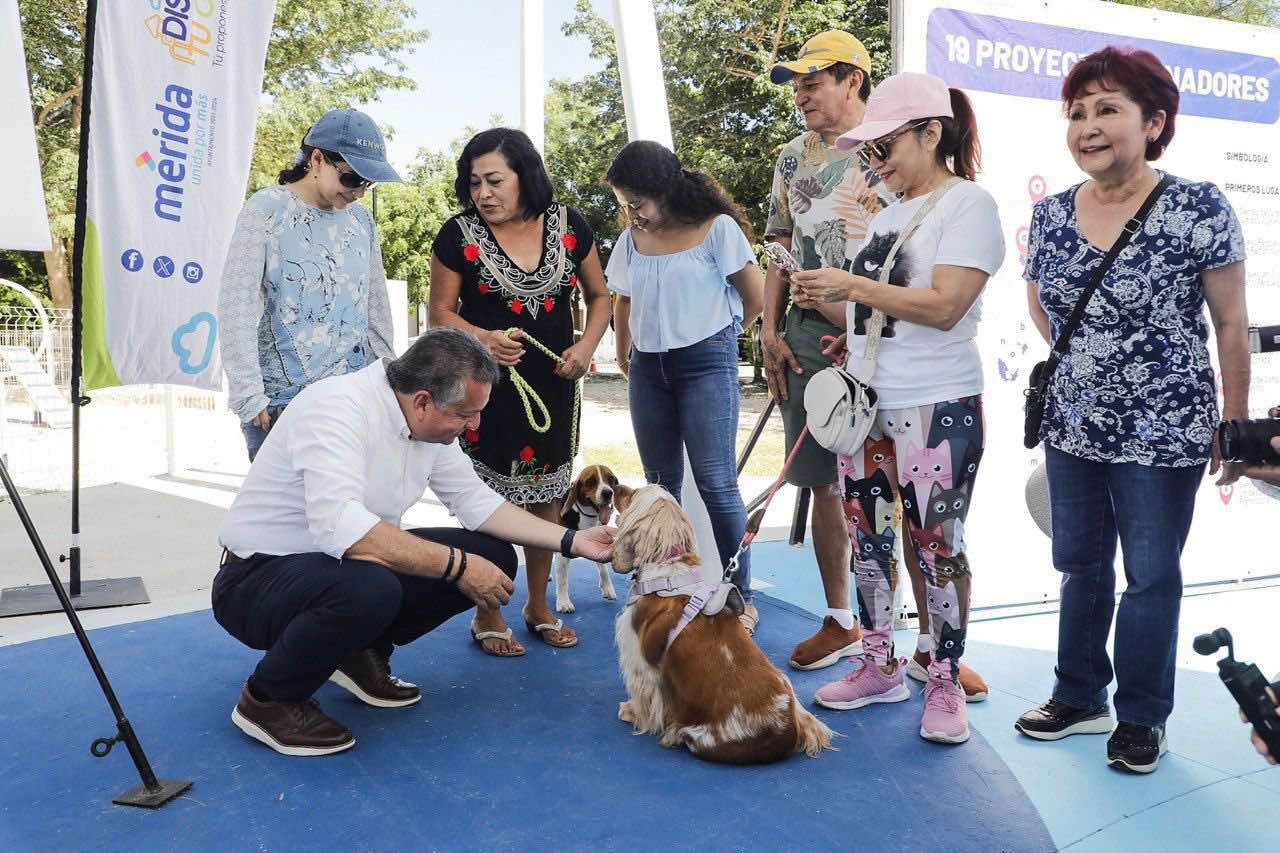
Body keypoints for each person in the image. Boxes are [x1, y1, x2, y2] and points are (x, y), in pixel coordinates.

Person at [212, 328, 616, 757]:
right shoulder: (335, 409)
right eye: (466, 414)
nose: (474, 425)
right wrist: (459, 567)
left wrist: (574, 540)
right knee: (378, 584)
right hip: (254, 581)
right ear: (423, 400)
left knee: (492, 555)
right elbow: (343, 529)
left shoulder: (428, 424)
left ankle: (356, 654)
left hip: (334, 570)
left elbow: (480, 505)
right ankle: (268, 699)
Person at [1015, 47, 1250, 774]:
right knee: (1080, 562)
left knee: (1151, 574)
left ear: (1154, 122)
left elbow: (1231, 323)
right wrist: (1095, 369)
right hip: (1073, 422)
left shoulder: (1198, 206)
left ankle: (1143, 715)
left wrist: (1232, 422)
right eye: (1078, 112)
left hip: (1167, 426)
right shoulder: (1052, 214)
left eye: (1107, 108)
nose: (1087, 125)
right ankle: (1080, 693)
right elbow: (1043, 306)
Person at [765, 33, 986, 696]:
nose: (801, 94)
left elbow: (942, 304)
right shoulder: (812, 171)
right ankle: (863, 643)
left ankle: (936, 661)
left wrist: (851, 295)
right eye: (796, 84)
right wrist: (792, 332)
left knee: (931, 530)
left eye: (812, 80)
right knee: (853, 512)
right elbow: (786, 250)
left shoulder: (950, 197)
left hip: (922, 384)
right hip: (842, 366)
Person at [429, 128, 611, 655]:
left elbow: (600, 296)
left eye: (493, 180)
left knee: (549, 497)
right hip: (484, 394)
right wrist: (482, 337)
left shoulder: (570, 225)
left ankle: (538, 604)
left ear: (524, 176)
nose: (482, 193)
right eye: (473, 182)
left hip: (555, 387)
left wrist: (586, 346)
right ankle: (487, 610)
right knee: (487, 500)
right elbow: (441, 313)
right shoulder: (457, 236)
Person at [604, 140, 764, 632]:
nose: (632, 215)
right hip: (649, 368)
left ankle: (742, 596)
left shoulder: (717, 230)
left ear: (668, 192)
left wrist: (720, 340)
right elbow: (623, 298)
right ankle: (660, 588)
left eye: (638, 204)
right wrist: (623, 348)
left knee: (716, 481)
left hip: (705, 363)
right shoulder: (631, 241)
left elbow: (753, 297)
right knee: (659, 486)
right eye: (624, 204)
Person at [219, 108, 401, 462]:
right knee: (286, 517)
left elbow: (374, 305)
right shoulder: (267, 209)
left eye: (368, 182)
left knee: (350, 513)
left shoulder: (362, 219)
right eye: (352, 179)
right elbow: (235, 304)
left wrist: (388, 379)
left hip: (354, 398)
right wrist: (248, 395)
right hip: (283, 404)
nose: (360, 192)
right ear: (317, 160)